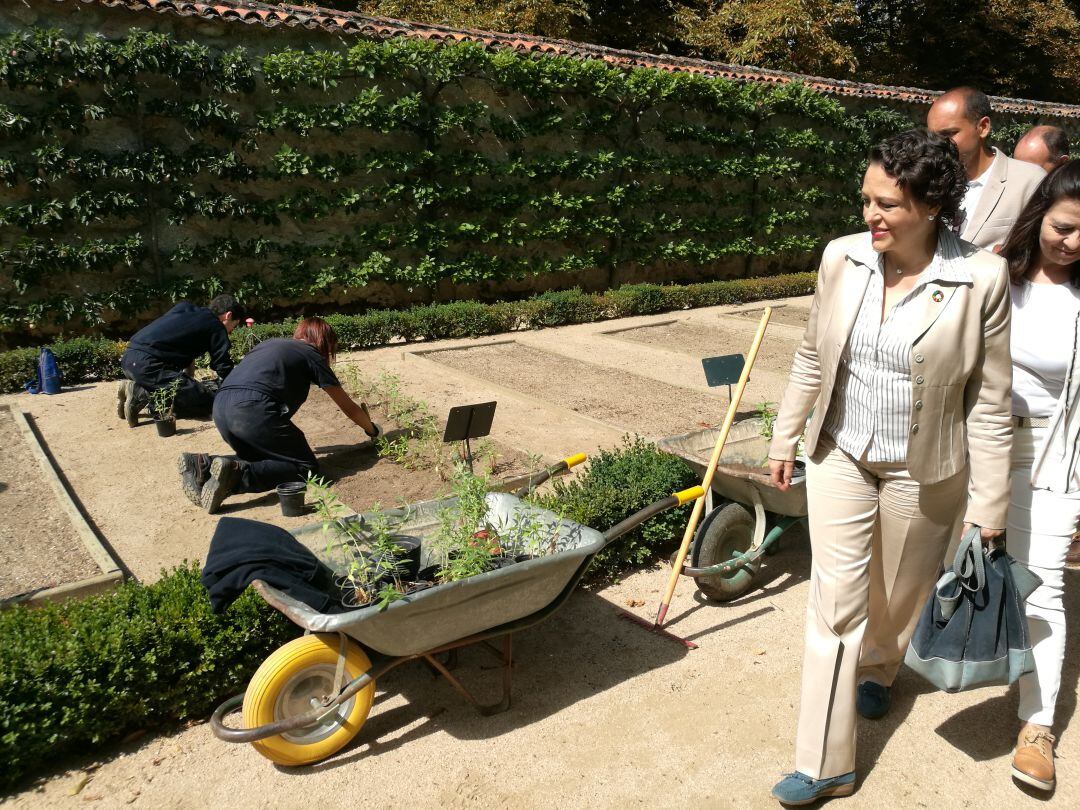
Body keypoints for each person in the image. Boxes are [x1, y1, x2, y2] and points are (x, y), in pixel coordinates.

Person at [767, 129, 1013, 805]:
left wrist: (990, 509)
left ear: (931, 206)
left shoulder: (979, 279)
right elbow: (813, 356)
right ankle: (825, 763)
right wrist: (784, 438)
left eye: (887, 205)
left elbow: (989, 403)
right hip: (840, 452)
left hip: (925, 467)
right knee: (834, 603)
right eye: (866, 200)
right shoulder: (841, 259)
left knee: (901, 591)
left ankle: (881, 664)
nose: (870, 215)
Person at [997, 161, 1080, 792]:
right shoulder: (995, 273)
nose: (1071, 243)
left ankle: (1037, 724)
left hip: (1055, 457)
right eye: (1063, 227)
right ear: (1039, 215)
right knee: (962, 562)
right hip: (981, 448)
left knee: (1043, 585)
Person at [182, 317, 381, 514]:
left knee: (263, 458)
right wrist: (371, 429)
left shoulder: (269, 344)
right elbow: (348, 407)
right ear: (322, 340)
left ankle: (203, 465)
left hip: (221, 407)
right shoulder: (311, 353)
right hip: (252, 410)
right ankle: (237, 477)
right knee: (306, 467)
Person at [927, 87, 1045, 249]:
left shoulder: (1029, 180)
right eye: (933, 137)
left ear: (983, 127)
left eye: (948, 134)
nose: (938, 145)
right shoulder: (928, 179)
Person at [118, 294, 243, 426]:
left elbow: (183, 348)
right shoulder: (216, 326)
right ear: (228, 315)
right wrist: (236, 390)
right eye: (233, 326)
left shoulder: (185, 309)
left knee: (189, 391)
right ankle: (141, 395)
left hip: (130, 359)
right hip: (148, 366)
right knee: (209, 401)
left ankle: (137, 388)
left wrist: (189, 384)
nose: (231, 332)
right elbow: (223, 365)